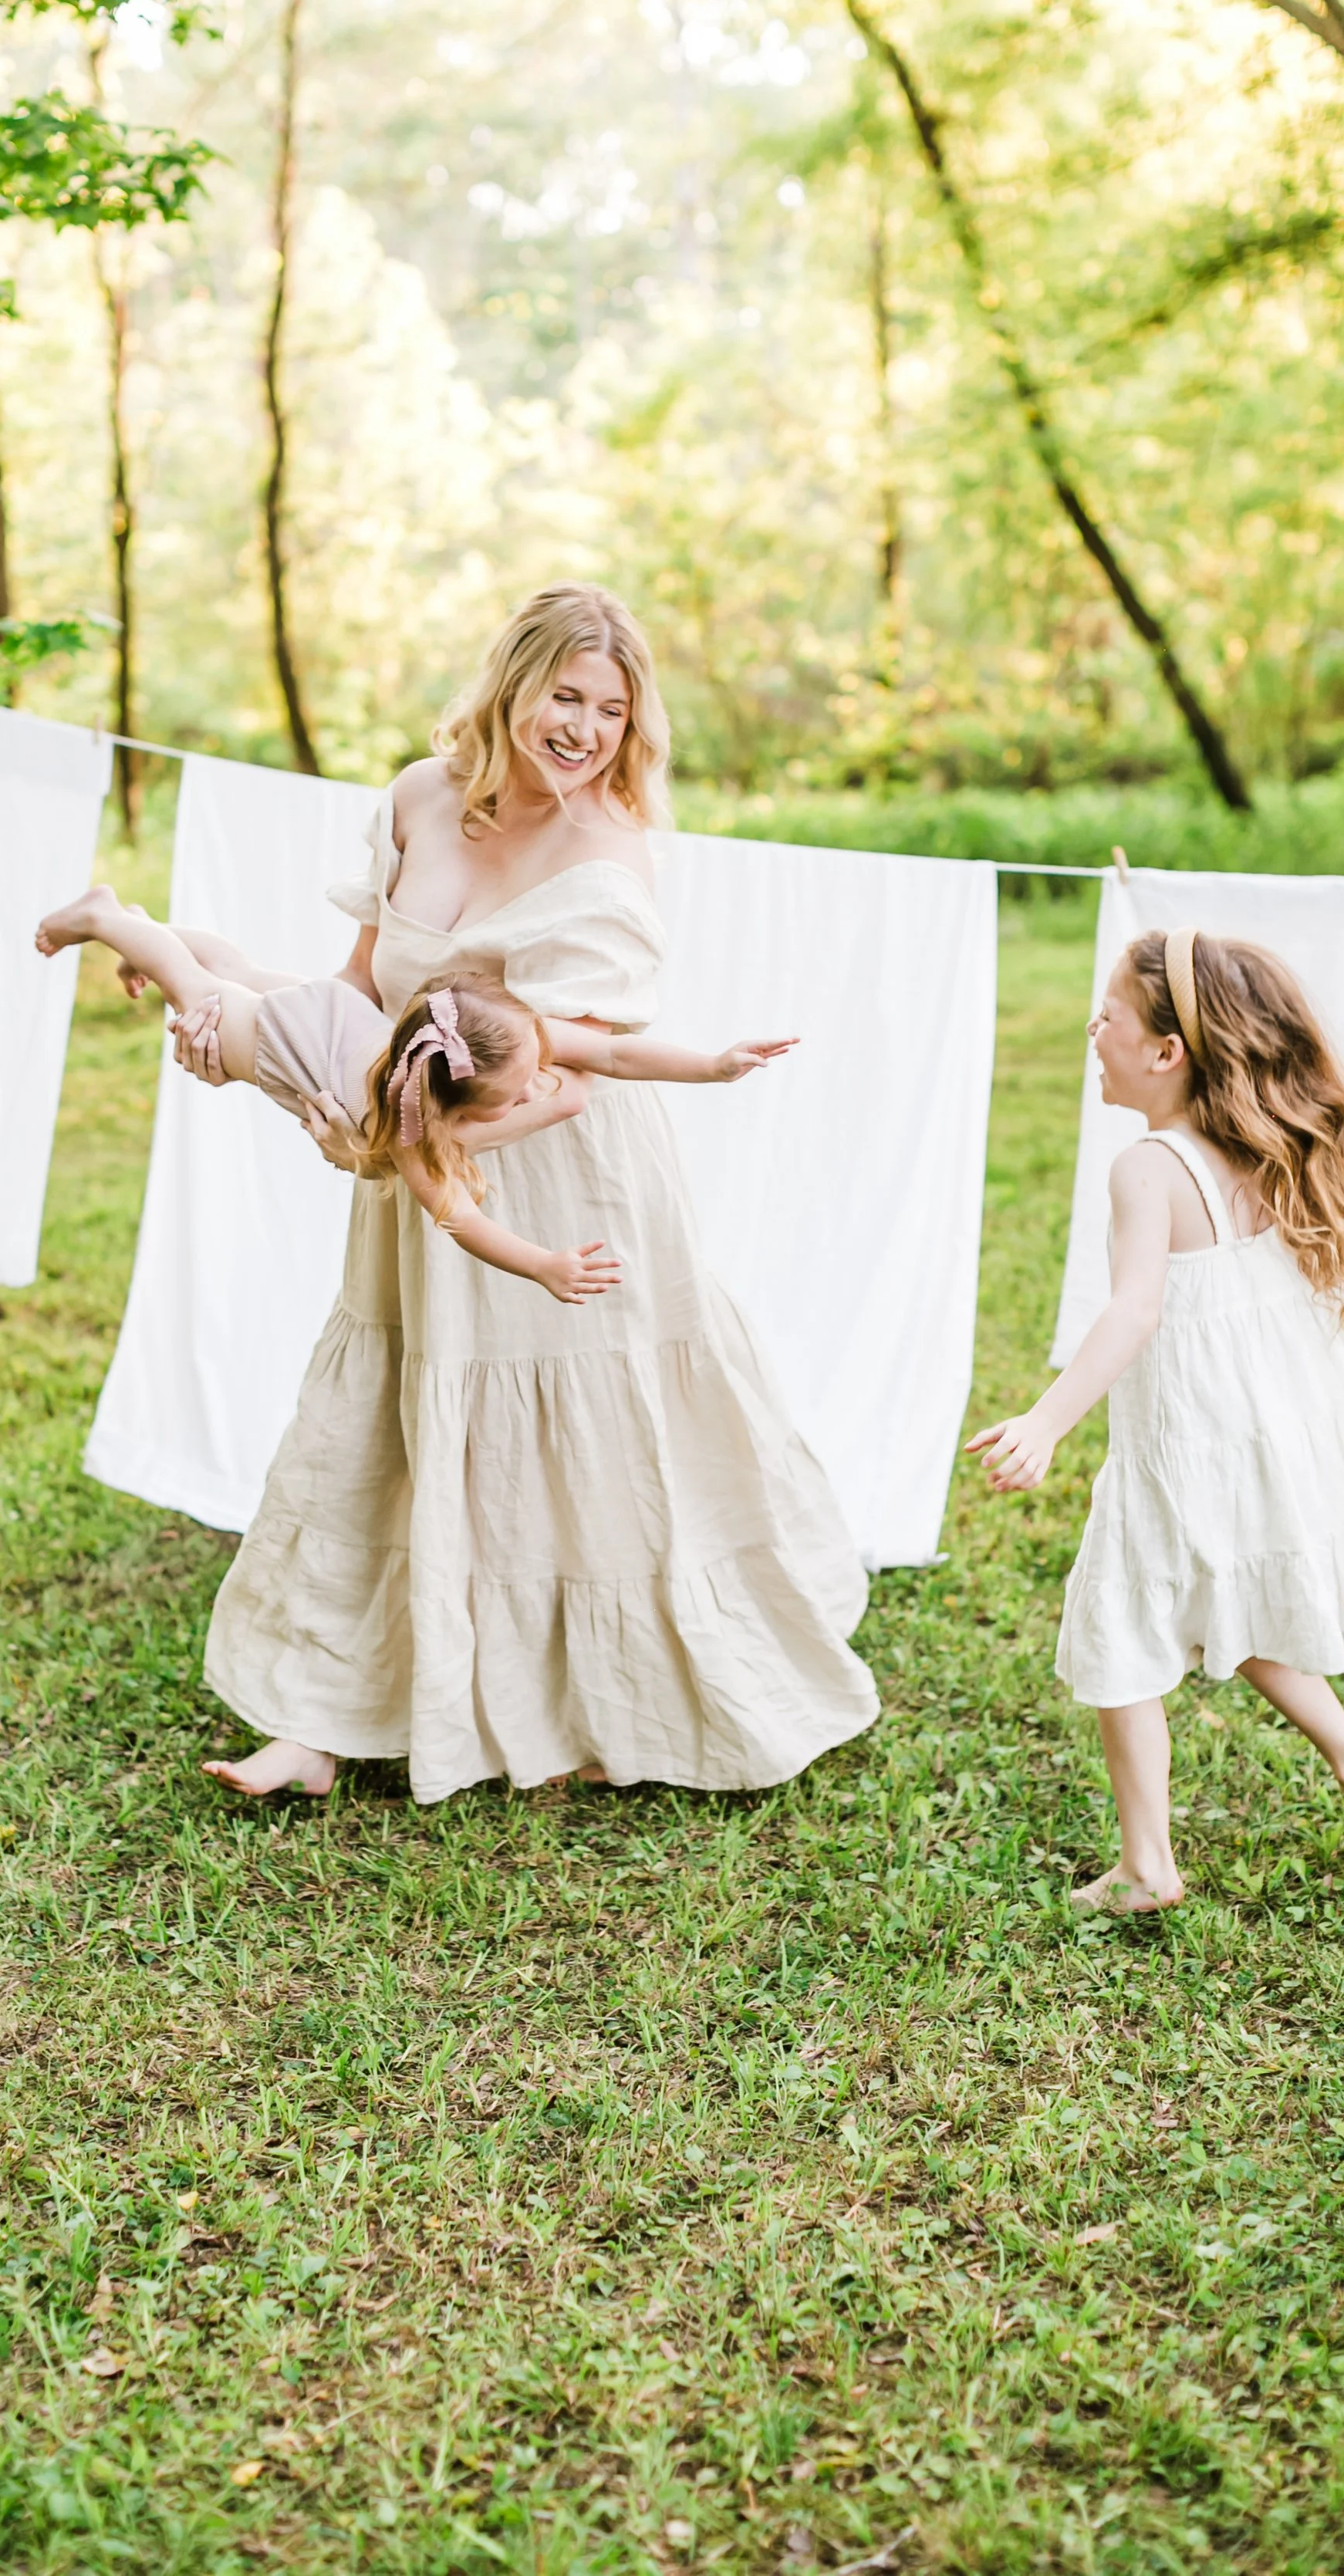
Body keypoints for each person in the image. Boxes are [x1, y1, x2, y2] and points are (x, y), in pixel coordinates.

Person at [158, 581, 880, 1804]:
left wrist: (433, 1090)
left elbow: (582, 1048)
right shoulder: (416, 797)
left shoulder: (610, 848)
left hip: (557, 1162)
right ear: (514, 683)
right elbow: (361, 982)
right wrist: (256, 1038)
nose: (586, 729)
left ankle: (602, 1696)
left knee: (590, 1430)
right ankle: (322, 1719)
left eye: (612, 709)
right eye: (566, 695)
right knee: (395, 1415)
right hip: (421, 1146)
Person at [969, 926, 1344, 1913]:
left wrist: (1047, 1419)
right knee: (1232, 1611)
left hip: (1178, 1445)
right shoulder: (1260, 1153)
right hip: (1256, 1436)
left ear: (1165, 1051)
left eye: (1106, 1015)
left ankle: (1148, 1866)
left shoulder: (1149, 1168)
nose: (1089, 1027)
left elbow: (1136, 1310)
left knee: (1119, 1625)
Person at [34, 886, 795, 1305]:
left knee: (233, 962)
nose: (538, 1082)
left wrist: (713, 1065)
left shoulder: (488, 1036)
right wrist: (542, 1266)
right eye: (517, 1093)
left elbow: (614, 1049)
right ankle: (108, 918)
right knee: (199, 987)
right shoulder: (409, 1135)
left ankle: (142, 930)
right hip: (283, 1042)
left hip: (336, 1018)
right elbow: (463, 1221)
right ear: (458, 1109)